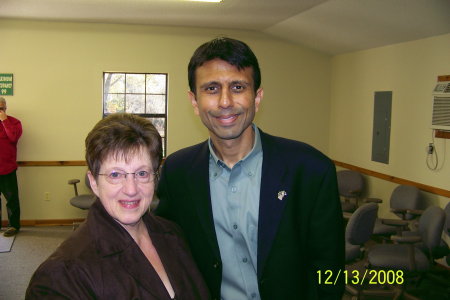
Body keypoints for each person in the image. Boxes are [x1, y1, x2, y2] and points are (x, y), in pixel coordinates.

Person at [156, 37, 345, 300]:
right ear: (194, 101)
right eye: (211, 88)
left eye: (237, 87)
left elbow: (330, 269)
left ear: (257, 97)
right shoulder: (178, 172)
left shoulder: (311, 169)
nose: (225, 102)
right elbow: (171, 254)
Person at [26, 113, 210, 300]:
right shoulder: (62, 276)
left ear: (155, 177)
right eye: (115, 175)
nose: (131, 189)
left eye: (142, 173)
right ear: (94, 182)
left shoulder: (173, 234)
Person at [0, 97, 22, 237]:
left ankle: (14, 226)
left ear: (5, 108)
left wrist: (4, 121)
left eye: (1, 108)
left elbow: (13, 138)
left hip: (7, 168)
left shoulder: (14, 122)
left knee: (12, 199)